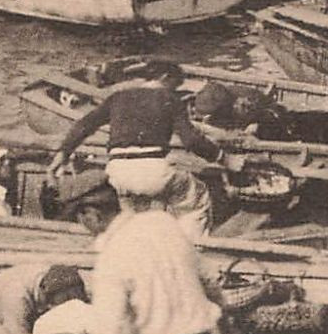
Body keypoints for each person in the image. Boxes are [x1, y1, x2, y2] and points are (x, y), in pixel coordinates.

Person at [49, 58, 234, 238]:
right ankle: (193, 250)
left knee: (134, 219)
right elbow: (192, 141)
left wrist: (63, 153)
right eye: (175, 85)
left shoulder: (118, 97)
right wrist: (224, 158)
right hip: (153, 172)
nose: (176, 90)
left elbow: (84, 125)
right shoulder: (169, 98)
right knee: (197, 198)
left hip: (117, 173)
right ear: (165, 77)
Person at [88, 204, 222, 334]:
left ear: (92, 214)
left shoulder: (111, 256)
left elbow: (108, 329)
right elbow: (208, 276)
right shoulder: (163, 222)